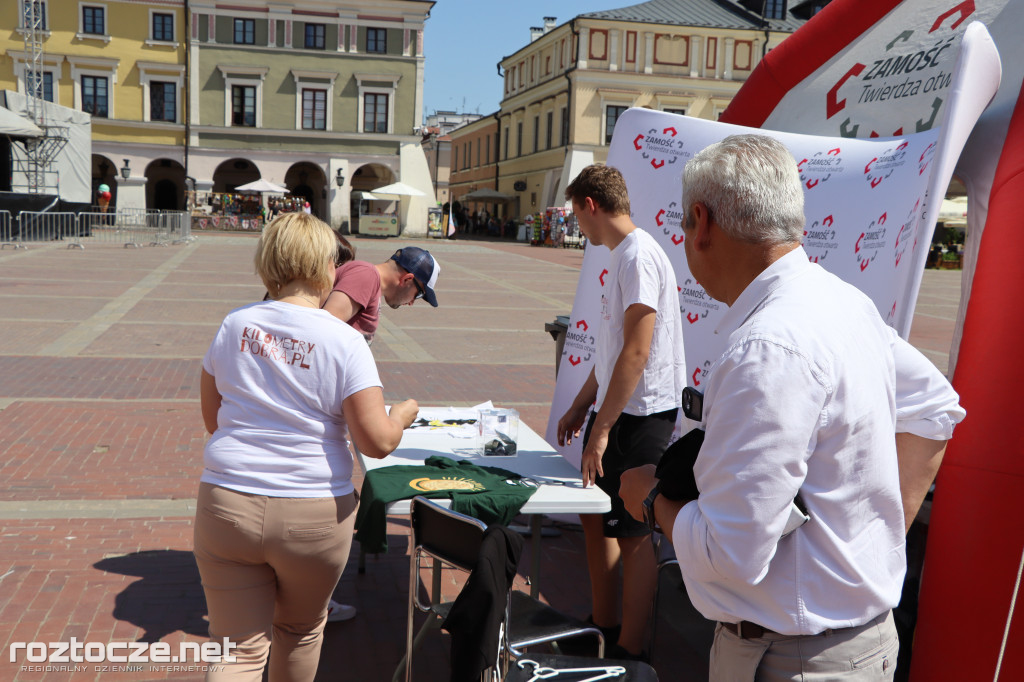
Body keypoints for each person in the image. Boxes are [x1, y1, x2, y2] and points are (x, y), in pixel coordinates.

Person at [619, 134, 965, 680]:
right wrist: (871, 536)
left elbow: (731, 555)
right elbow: (934, 408)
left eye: (684, 224)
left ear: (702, 222)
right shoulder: (843, 302)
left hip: (794, 655)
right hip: (848, 640)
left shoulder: (768, 347)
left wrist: (652, 498)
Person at [194, 212, 419, 680]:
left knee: (236, 651)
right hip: (314, 507)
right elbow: (377, 442)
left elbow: (213, 418)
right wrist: (401, 416)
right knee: (298, 632)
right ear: (326, 264)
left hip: (227, 500)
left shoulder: (234, 325)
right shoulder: (345, 340)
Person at [555, 164, 686, 661]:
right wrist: (580, 406)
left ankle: (631, 649)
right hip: (619, 408)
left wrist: (601, 429)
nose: (577, 227)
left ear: (591, 205)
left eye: (576, 214)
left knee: (632, 534)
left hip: (642, 412)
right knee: (595, 517)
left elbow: (637, 352)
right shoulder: (625, 255)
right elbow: (610, 355)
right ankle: (603, 623)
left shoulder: (638, 256)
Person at [321, 246, 440, 345]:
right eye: (418, 294)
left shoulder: (371, 282)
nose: (411, 303)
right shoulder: (366, 276)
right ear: (407, 279)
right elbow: (322, 329)